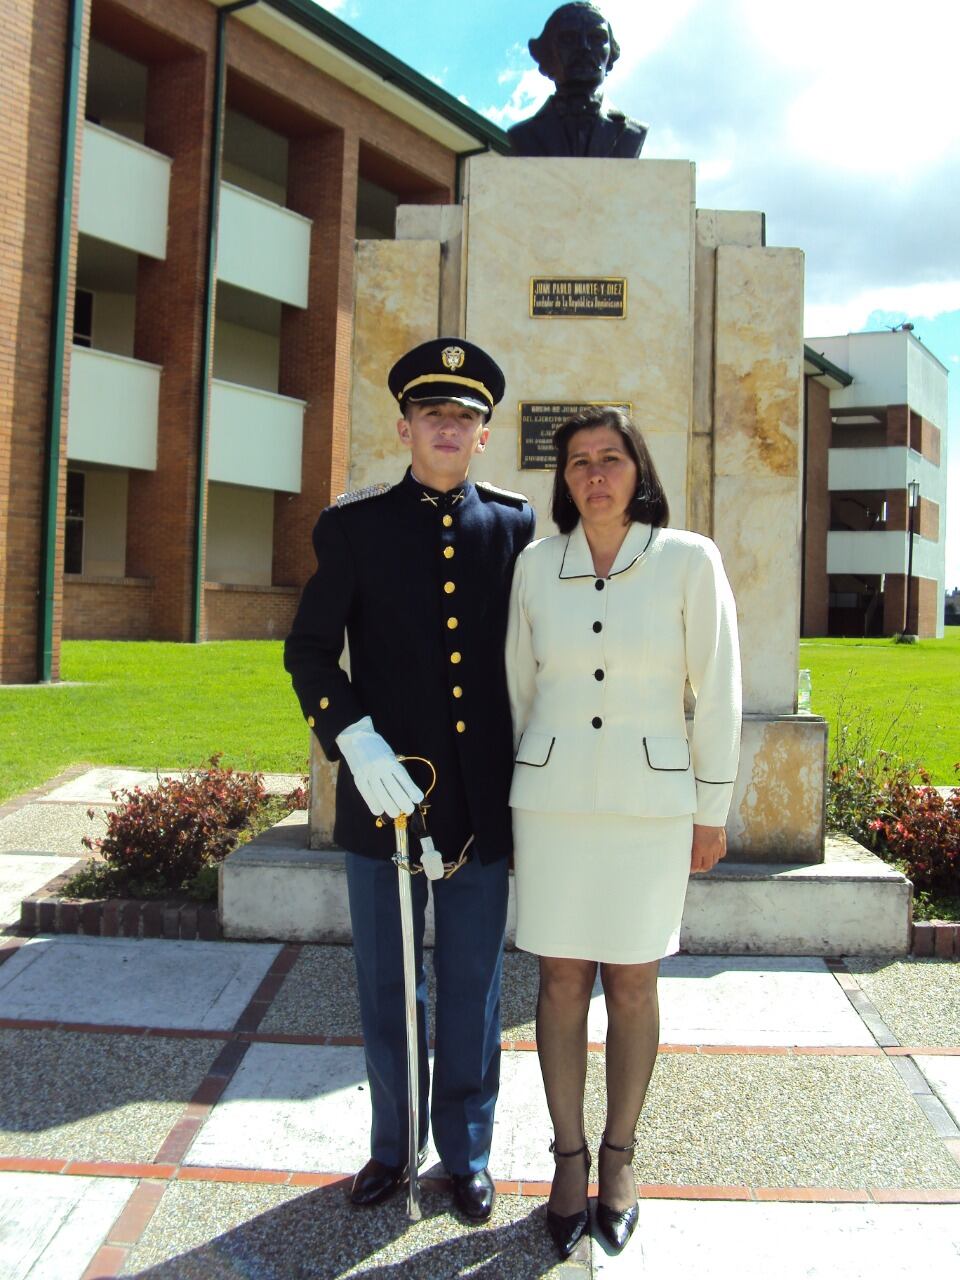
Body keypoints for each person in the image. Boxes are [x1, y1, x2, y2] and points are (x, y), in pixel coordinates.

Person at [284, 338, 535, 1222]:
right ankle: (392, 1149)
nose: (447, 428)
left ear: (483, 435)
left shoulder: (514, 526)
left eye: (464, 417)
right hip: (382, 802)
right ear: (404, 426)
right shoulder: (352, 526)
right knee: (389, 986)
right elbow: (309, 650)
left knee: (472, 988)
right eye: (434, 414)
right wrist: (352, 736)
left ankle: (464, 1155)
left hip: (478, 804)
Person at [505, 406, 741, 1256]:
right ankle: (568, 1161)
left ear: (638, 470)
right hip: (554, 803)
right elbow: (518, 689)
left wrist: (710, 807)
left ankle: (620, 1160)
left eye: (611, 459)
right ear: (563, 480)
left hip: (652, 807)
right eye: (578, 463)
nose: (595, 475)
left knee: (634, 981)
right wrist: (521, 786)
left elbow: (716, 688)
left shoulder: (687, 560)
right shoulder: (536, 567)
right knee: (562, 980)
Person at [508, 3, 648, 159]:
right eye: (568, 38)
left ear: (610, 56)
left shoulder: (632, 132)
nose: (584, 47)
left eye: (597, 38)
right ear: (546, 54)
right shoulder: (523, 135)